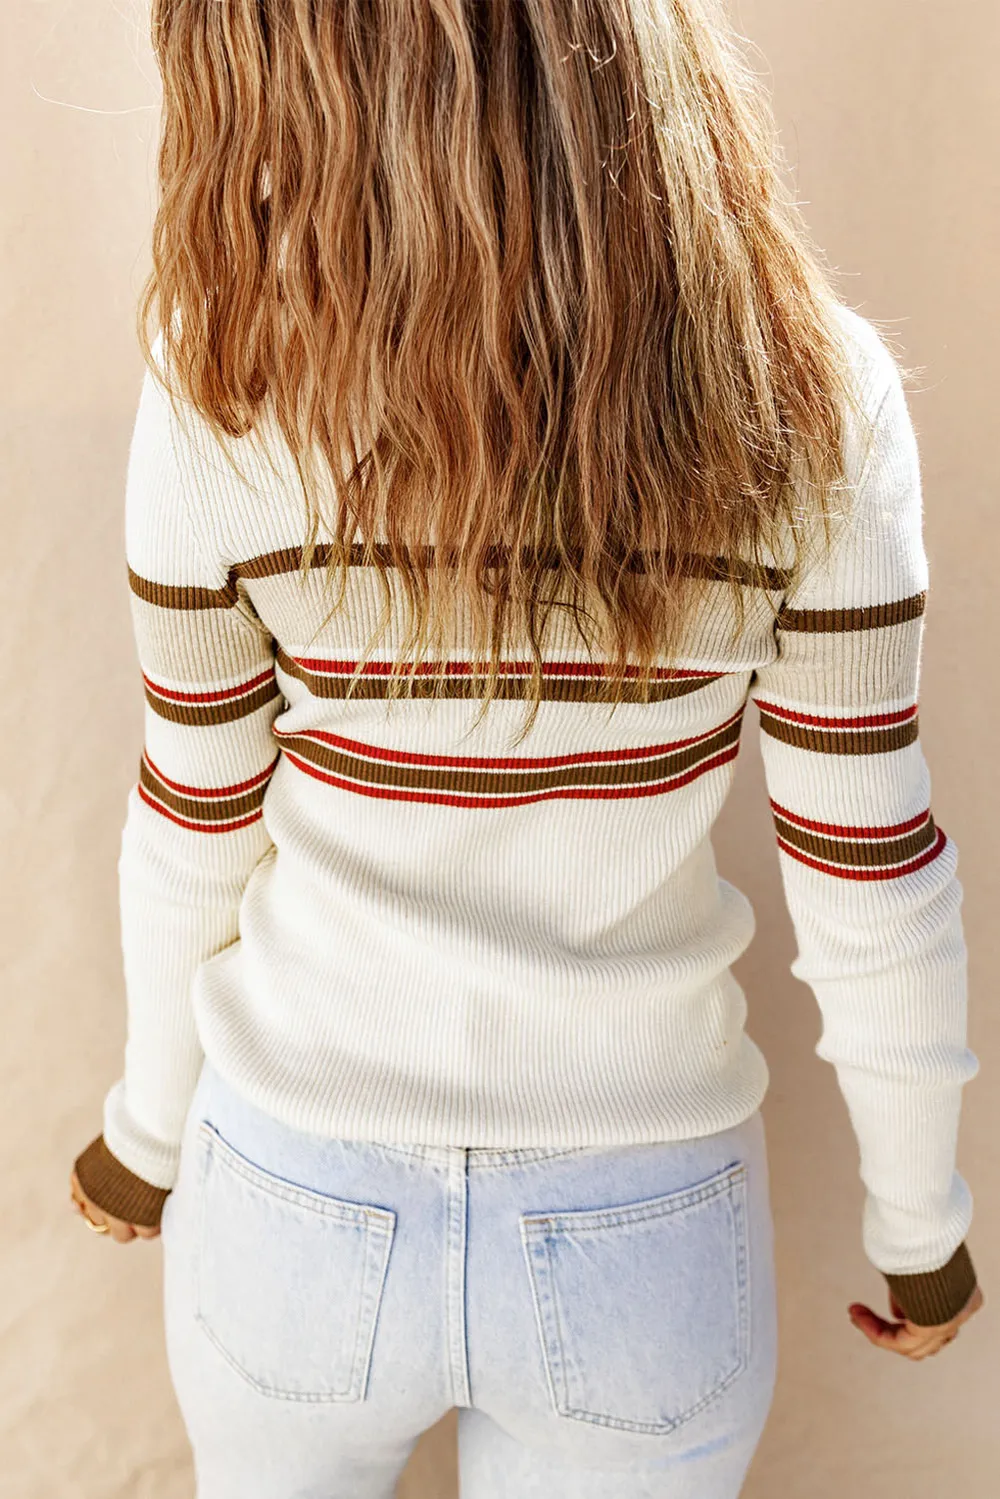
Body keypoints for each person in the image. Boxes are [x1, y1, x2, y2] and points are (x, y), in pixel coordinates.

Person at [68, 1, 983, 1495]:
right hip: (645, 1224)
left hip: (296, 1196)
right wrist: (919, 1221)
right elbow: (868, 865)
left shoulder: (225, 382)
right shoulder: (815, 395)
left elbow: (195, 815)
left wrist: (147, 1134)